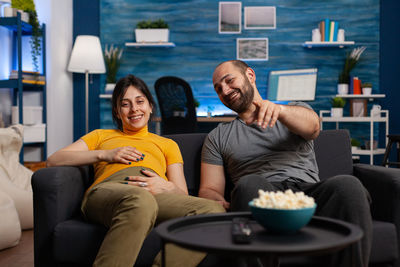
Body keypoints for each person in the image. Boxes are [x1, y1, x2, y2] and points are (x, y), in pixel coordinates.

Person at [199, 60, 372, 267]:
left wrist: (280, 111)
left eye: (229, 81)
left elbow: (313, 128)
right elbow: (209, 188)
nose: (225, 91)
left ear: (250, 75)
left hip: (307, 196)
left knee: (348, 185)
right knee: (248, 184)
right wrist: (215, 200)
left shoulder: (294, 111)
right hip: (261, 198)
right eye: (218, 89)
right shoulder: (217, 137)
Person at [47, 74, 225, 267]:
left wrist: (165, 186)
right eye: (125, 104)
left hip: (154, 194)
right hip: (111, 190)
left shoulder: (168, 144)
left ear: (150, 106)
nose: (134, 109)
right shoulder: (101, 136)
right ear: (116, 111)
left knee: (213, 210)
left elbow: (181, 192)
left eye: (140, 101)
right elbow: (54, 160)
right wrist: (106, 155)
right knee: (140, 200)